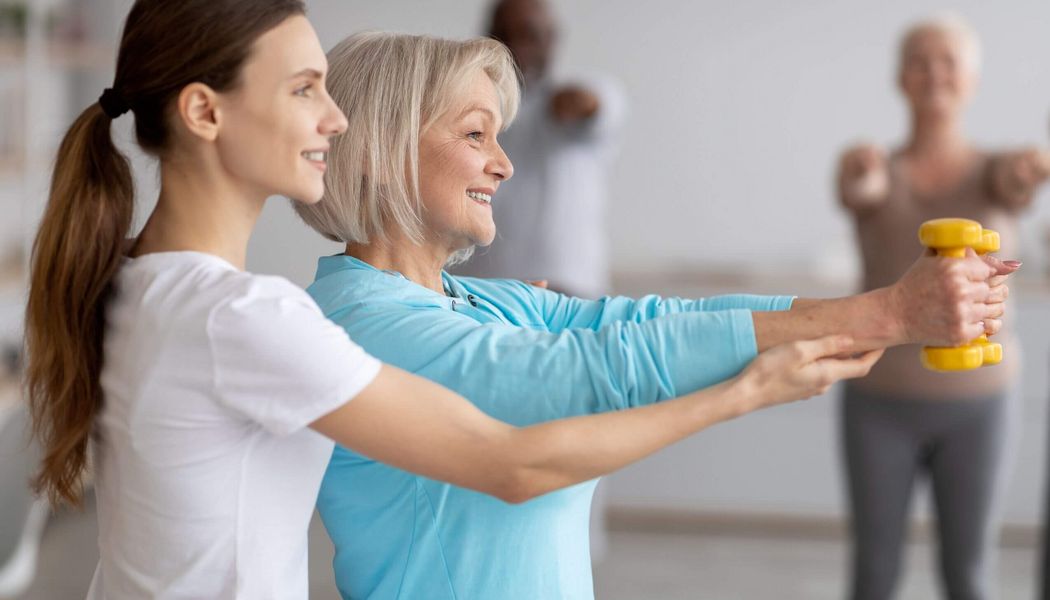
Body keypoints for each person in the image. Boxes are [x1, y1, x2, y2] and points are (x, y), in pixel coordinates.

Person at [22, 2, 889, 597]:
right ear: (206, 113)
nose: (334, 118)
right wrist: (745, 392)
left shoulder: (144, 281)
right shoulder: (246, 319)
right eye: (304, 90)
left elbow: (603, 330)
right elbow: (512, 463)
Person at [294, 31, 1014, 600]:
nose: (504, 164)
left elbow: (650, 321)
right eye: (475, 135)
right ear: (383, 153)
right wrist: (889, 314)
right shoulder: (360, 325)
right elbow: (591, 371)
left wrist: (877, 313)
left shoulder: (482, 301)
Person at [836, 15, 1050, 600]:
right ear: (899, 78)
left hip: (981, 406)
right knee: (873, 576)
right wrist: (861, 177)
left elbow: (1017, 182)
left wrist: (1029, 170)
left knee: (969, 576)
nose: (934, 73)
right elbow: (861, 192)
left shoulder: (997, 171)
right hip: (879, 403)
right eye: (920, 61)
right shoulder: (873, 169)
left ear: (973, 79)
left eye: (949, 60)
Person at [452, 0, 624, 298]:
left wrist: (579, 104)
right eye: (503, 34)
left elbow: (596, 106)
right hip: (477, 293)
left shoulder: (574, 96)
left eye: (528, 33)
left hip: (565, 290)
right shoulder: (461, 103)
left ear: (552, 38)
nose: (515, 46)